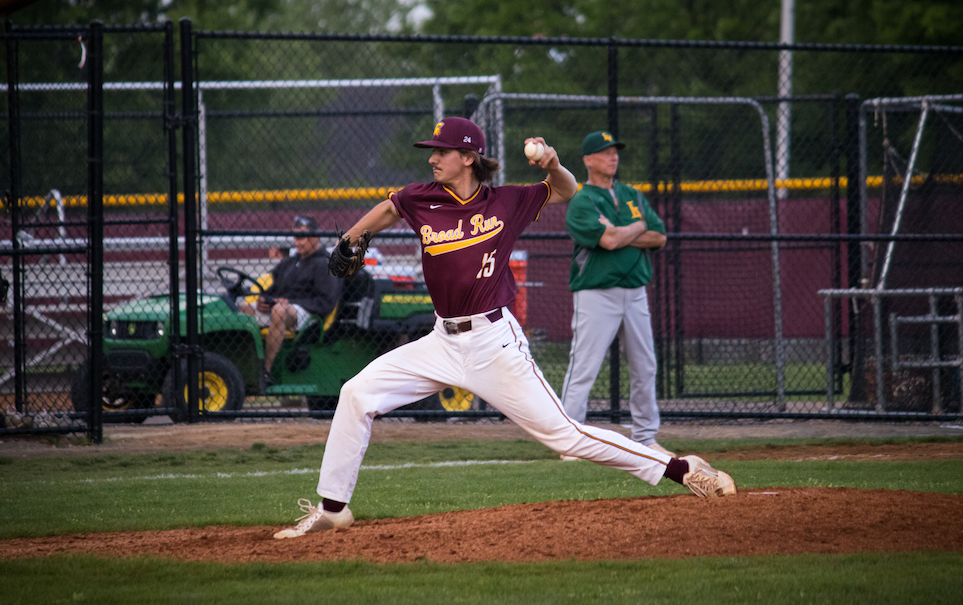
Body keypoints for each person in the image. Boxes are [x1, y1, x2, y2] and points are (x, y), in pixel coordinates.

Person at [273, 118, 735, 539]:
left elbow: (566, 190)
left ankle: (683, 469)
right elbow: (388, 209)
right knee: (356, 394)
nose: (432, 157)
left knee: (564, 434)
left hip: (493, 342)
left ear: (469, 157)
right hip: (439, 340)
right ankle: (333, 508)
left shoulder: (506, 201)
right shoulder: (421, 197)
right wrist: (352, 238)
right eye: (431, 150)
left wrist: (552, 163)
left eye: (442, 151)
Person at [560, 130, 671, 459]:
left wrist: (625, 230)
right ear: (588, 160)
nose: (613, 156)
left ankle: (645, 437)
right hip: (596, 294)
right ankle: (568, 439)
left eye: (615, 151)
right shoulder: (582, 201)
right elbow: (607, 242)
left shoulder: (631, 194)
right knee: (584, 367)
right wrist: (637, 227)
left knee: (645, 366)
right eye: (605, 152)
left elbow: (660, 236)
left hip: (636, 291)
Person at [239, 215, 342, 387]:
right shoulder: (290, 262)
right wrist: (265, 300)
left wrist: (289, 302)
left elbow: (325, 302)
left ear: (315, 238)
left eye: (302, 237)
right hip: (283, 307)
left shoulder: (324, 263)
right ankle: (242, 366)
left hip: (309, 316)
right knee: (243, 309)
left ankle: (265, 371)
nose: (297, 242)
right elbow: (273, 290)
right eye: (295, 237)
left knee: (280, 310)